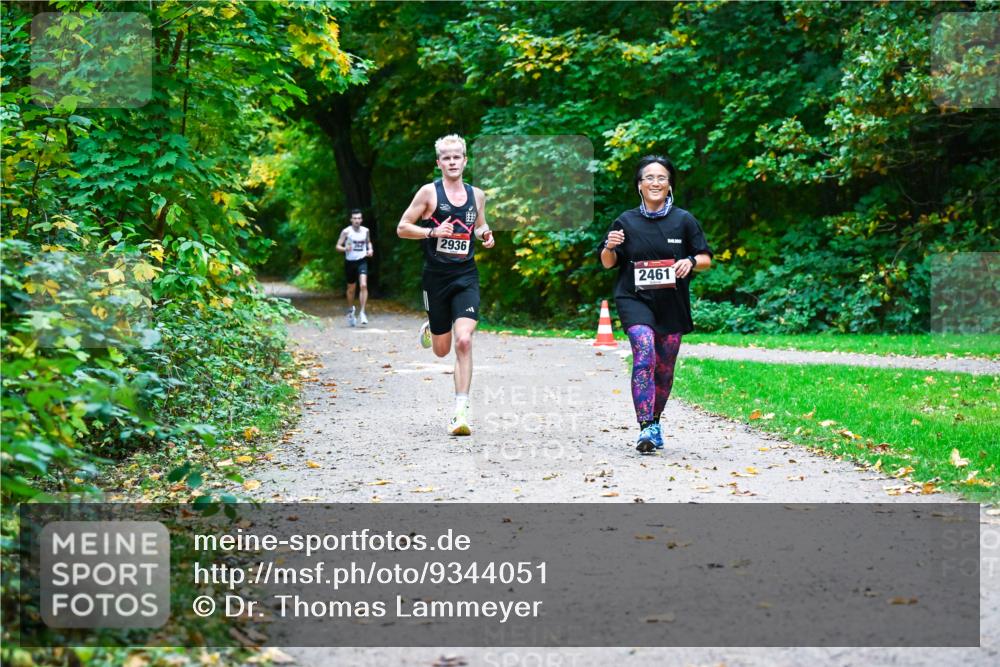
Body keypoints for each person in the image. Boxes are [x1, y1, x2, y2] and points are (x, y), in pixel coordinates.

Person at [598, 155, 712, 453]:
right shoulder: (625, 221)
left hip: (672, 303)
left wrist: (690, 261)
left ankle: (655, 421)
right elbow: (608, 262)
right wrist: (610, 246)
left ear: (670, 184)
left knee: (664, 369)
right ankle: (645, 426)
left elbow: (706, 258)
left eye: (661, 177)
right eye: (649, 177)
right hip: (634, 298)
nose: (655, 182)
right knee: (644, 353)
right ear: (639, 185)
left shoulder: (684, 220)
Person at [396, 134, 495, 436]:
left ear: (465, 160)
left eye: (457, 157)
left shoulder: (477, 195)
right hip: (436, 279)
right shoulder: (429, 192)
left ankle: (460, 412)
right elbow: (402, 228)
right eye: (447, 158)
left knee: (464, 341)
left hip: (466, 276)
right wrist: (432, 232)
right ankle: (432, 326)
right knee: (441, 350)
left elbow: (478, 225)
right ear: (439, 163)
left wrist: (485, 234)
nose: (452, 162)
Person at [336, 208, 374, 326]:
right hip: (350, 262)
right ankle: (351, 310)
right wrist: (345, 248)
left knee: (363, 285)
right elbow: (338, 246)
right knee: (351, 289)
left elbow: (368, 242)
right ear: (351, 220)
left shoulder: (366, 231)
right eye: (355, 218)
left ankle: (362, 312)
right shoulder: (346, 232)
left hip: (362, 260)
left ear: (361, 220)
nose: (357, 220)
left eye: (359, 218)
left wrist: (370, 249)